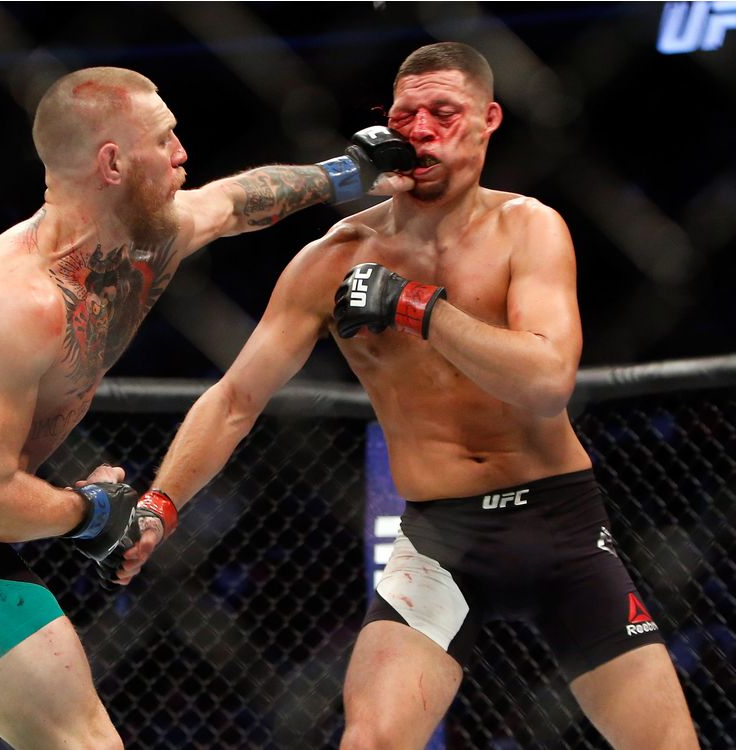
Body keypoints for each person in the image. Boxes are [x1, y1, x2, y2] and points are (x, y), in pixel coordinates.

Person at [0, 66, 415, 750]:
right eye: (165, 137)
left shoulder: (157, 233)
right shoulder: (19, 298)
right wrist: (90, 510)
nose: (182, 152)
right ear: (113, 161)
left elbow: (240, 201)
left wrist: (346, 173)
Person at [108, 44, 700, 749]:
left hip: (562, 529)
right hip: (440, 539)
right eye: (404, 115)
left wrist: (419, 307)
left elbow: (546, 384)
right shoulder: (334, 258)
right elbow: (236, 398)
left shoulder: (529, 228)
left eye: (443, 113)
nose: (420, 130)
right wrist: (162, 504)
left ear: (488, 121)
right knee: (372, 741)